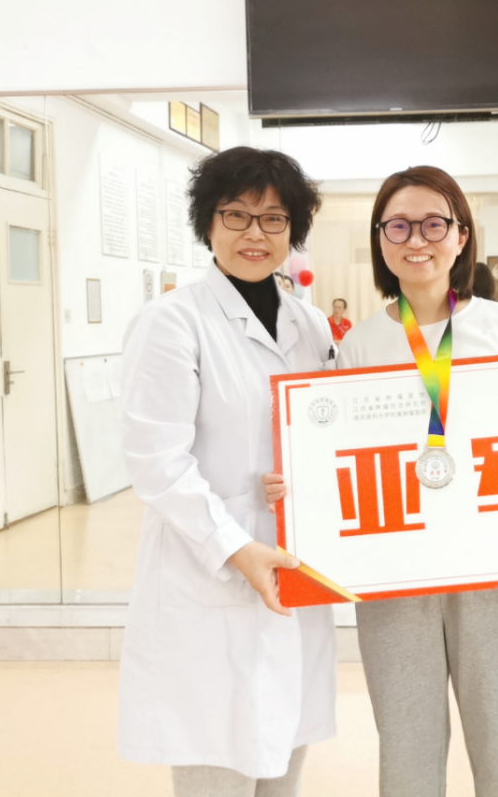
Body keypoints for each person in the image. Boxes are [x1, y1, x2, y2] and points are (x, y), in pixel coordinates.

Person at [264, 165, 498, 797]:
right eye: (398, 226)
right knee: (406, 748)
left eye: (434, 224)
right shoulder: (360, 344)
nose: (417, 239)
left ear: (461, 235)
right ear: (380, 240)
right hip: (396, 568)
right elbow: (336, 455)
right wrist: (296, 485)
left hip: (495, 564)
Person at [118, 146, 337, 796]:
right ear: (207, 223)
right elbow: (156, 461)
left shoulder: (311, 324)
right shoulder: (172, 321)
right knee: (217, 769)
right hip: (209, 567)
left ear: (293, 231)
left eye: (274, 219)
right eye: (236, 215)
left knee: (283, 763)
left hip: (294, 567)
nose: (254, 234)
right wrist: (236, 547)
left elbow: (324, 432)